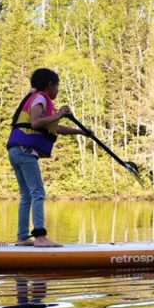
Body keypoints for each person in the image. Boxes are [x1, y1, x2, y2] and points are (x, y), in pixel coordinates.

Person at [6, 68, 91, 247]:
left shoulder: (37, 99)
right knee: (37, 193)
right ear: (50, 85)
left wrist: (81, 132)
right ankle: (40, 237)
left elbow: (55, 128)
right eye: (57, 86)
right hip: (25, 150)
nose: (57, 90)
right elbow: (35, 122)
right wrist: (59, 114)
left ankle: (22, 237)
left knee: (27, 195)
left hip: (16, 150)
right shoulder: (39, 98)